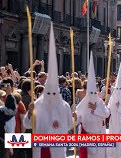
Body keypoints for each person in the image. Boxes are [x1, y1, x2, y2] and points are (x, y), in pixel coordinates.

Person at [23, 22, 73, 158]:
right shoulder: (37, 104)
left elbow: (69, 126)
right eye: (48, 93)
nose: (51, 96)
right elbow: (27, 124)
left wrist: (58, 126)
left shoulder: (65, 106)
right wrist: (29, 112)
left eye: (54, 93)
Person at [74, 52, 110, 158]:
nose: (93, 95)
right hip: (86, 133)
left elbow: (106, 114)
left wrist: (96, 109)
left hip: (99, 132)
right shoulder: (82, 104)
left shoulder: (100, 102)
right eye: (91, 93)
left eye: (94, 93)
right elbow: (77, 118)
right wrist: (75, 117)